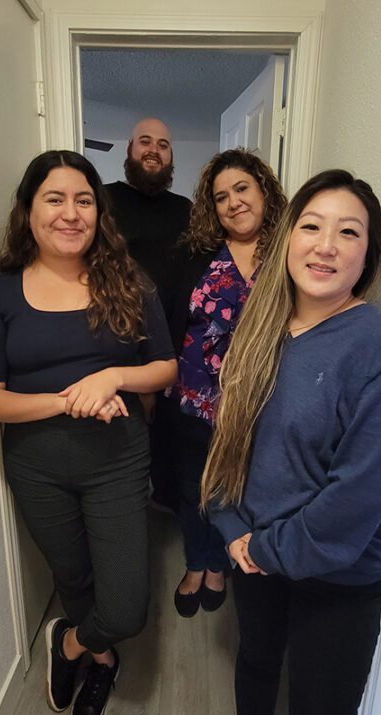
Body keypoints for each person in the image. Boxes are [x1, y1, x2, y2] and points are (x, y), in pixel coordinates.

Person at [202, 170, 381, 715]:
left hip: (339, 575)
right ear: (287, 235)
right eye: (311, 224)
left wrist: (261, 547)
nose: (325, 245)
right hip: (252, 552)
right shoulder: (258, 328)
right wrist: (234, 529)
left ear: (368, 256)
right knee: (256, 661)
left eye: (348, 231)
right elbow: (228, 445)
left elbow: (353, 501)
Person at [0, 150, 177, 715]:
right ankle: (102, 661)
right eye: (54, 199)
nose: (70, 213)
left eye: (83, 200)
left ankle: (72, 640)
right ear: (29, 212)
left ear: (98, 212)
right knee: (74, 575)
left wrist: (113, 377)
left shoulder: (129, 281)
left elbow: (164, 367)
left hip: (118, 458)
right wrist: (66, 399)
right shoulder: (0, 297)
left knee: (126, 604)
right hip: (37, 465)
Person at [167, 149, 286, 618]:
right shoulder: (197, 254)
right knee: (192, 487)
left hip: (254, 405)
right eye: (221, 197)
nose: (233, 202)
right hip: (193, 398)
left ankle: (219, 565)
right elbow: (175, 318)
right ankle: (195, 563)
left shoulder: (287, 252)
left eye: (242, 189)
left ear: (263, 191)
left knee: (232, 491)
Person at [103, 118, 192, 511]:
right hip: (118, 343)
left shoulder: (186, 210)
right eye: (145, 142)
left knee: (175, 441)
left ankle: (169, 505)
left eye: (163, 144)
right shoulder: (103, 201)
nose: (154, 149)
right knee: (124, 442)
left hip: (177, 341)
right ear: (129, 150)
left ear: (172, 158)